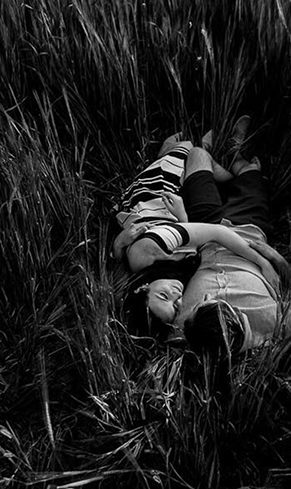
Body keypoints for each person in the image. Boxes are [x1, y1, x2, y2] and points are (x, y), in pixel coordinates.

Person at [113, 121, 280, 339]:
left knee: (192, 151)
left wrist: (264, 263)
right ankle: (235, 160)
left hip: (172, 203)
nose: (176, 295)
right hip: (193, 223)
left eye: (164, 295)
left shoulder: (148, 251)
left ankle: (220, 153)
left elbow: (216, 232)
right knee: (248, 175)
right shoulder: (166, 277)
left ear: (142, 289)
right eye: (175, 307)